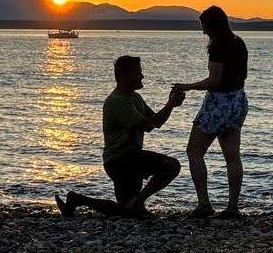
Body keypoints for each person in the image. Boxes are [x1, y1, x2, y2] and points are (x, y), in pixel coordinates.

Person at [55, 55, 185, 217]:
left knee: (125, 211)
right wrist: (170, 104)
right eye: (137, 73)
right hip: (121, 161)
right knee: (171, 166)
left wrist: (171, 105)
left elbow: (155, 124)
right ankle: (137, 202)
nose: (142, 76)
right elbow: (147, 125)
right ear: (123, 76)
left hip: (129, 159)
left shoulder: (135, 97)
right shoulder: (117, 101)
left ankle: (77, 199)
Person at [173, 5, 249, 219]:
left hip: (219, 104)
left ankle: (204, 204)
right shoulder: (239, 43)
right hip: (238, 101)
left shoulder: (218, 47)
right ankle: (233, 208)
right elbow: (241, 76)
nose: (203, 32)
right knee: (232, 156)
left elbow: (214, 80)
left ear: (213, 26)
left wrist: (187, 86)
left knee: (194, 151)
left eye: (204, 27)